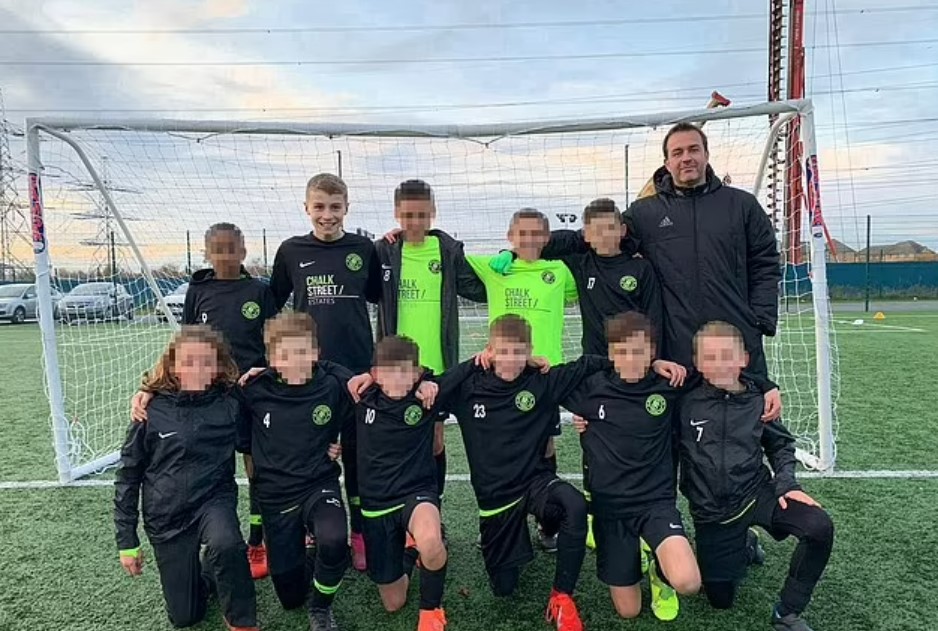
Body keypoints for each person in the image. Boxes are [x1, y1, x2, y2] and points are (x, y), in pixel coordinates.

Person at [133, 222, 277, 579]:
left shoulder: (259, 291)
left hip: (252, 393)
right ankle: (211, 533)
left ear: (244, 252)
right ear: (208, 254)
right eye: (219, 250)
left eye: (233, 249)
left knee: (256, 463)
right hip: (211, 395)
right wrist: (151, 385)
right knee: (213, 461)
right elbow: (185, 346)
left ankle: (258, 539)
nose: (227, 256)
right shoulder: (198, 291)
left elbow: (275, 344)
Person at [679, 321, 834, 631]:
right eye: (709, 357)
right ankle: (745, 545)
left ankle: (787, 613)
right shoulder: (683, 402)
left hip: (757, 492)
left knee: (819, 527)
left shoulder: (758, 400)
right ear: (696, 363)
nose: (719, 364)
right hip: (713, 513)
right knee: (719, 598)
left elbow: (780, 445)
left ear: (744, 360)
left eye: (727, 355)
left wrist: (787, 484)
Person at [623, 123, 783, 420]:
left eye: (694, 149)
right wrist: (518, 252)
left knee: (744, 432)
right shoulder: (644, 213)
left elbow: (766, 263)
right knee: (676, 436)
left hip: (733, 341)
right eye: (678, 152)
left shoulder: (741, 205)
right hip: (674, 345)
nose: (687, 157)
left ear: (707, 155)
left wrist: (759, 319)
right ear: (667, 162)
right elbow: (599, 241)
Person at [269, 173, 382, 571]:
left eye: (335, 207)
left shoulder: (364, 249)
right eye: (319, 207)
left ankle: (360, 534)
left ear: (347, 208)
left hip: (356, 372)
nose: (327, 215)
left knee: (355, 453)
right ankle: (311, 525)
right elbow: (272, 305)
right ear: (306, 208)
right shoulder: (290, 251)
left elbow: (379, 297)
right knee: (309, 449)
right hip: (306, 374)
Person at [114, 326, 258, 631]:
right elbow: (128, 476)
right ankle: (209, 573)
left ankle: (242, 621)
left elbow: (272, 415)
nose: (197, 370)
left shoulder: (230, 402)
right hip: (167, 515)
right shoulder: (150, 410)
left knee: (226, 543)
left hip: (213, 501)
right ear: (173, 365)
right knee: (185, 616)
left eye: (207, 362)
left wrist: (325, 445)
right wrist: (127, 541)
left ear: (219, 366)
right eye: (188, 361)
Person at [565, 312, 699, 622]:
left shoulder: (669, 384)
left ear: (653, 352)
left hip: (655, 504)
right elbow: (542, 383)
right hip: (609, 509)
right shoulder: (591, 387)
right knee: (628, 611)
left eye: (640, 351)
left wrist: (766, 386)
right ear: (611, 353)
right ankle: (638, 553)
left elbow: (720, 373)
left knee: (688, 582)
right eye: (623, 351)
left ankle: (660, 572)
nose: (632, 358)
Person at [466, 208, 578, 551]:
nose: (529, 240)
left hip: (544, 375)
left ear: (546, 238)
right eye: (521, 234)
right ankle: (508, 518)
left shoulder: (560, 272)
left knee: (544, 444)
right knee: (504, 445)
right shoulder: (494, 268)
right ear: (509, 237)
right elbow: (449, 258)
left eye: (536, 234)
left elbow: (594, 279)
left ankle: (549, 523)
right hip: (503, 373)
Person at [375, 179, 486, 515]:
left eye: (422, 214)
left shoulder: (447, 252)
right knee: (397, 440)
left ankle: (432, 510)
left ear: (433, 213)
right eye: (408, 214)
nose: (415, 221)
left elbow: (477, 288)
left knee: (436, 441)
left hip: (437, 366)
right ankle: (399, 513)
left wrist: (509, 266)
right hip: (396, 366)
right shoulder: (384, 251)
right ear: (396, 213)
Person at [238, 312, 352, 631]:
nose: (295, 361)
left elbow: (377, 394)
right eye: (285, 354)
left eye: (303, 351)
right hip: (276, 497)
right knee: (290, 598)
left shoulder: (332, 385)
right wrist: (148, 392)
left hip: (319, 484)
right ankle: (314, 555)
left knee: (333, 538)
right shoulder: (252, 389)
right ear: (272, 358)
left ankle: (321, 608)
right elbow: (208, 395)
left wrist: (425, 379)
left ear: (316, 353)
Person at [354, 336, 450, 631]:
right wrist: (262, 371)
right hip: (376, 506)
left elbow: (472, 370)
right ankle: (409, 552)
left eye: (406, 371)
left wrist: (430, 379)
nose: (398, 379)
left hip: (416, 493)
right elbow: (319, 372)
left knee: (432, 542)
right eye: (389, 371)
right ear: (376, 374)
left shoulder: (426, 397)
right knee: (393, 603)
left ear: (416, 372)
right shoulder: (361, 397)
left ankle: (431, 612)